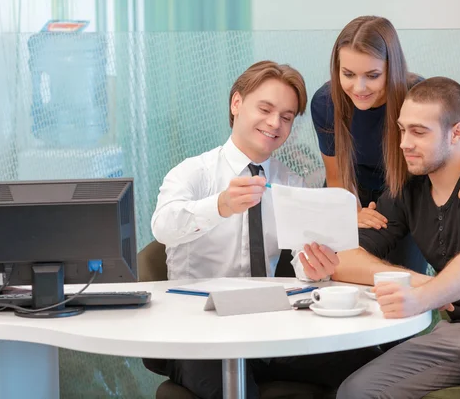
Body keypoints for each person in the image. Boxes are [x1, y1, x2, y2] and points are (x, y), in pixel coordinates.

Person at [300, 76, 460, 398]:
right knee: (356, 391)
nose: (404, 143)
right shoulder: (407, 190)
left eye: (419, 132)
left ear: (457, 133)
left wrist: (424, 298)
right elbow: (345, 256)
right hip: (454, 331)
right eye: (402, 129)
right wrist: (417, 282)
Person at [149, 60, 381, 399]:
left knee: (370, 365)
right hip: (197, 332)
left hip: (269, 330)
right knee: (234, 388)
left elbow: (301, 260)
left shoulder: (289, 182)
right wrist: (220, 206)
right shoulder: (194, 172)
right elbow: (163, 227)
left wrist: (316, 268)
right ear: (236, 104)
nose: (275, 123)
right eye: (266, 109)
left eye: (287, 117)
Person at [311, 16, 460, 274]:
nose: (359, 87)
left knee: (403, 278)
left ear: (392, 69)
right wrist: (353, 214)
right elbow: (337, 176)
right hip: (350, 195)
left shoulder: (416, 94)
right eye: (348, 74)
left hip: (403, 196)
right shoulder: (326, 102)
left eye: (372, 75)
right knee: (343, 273)